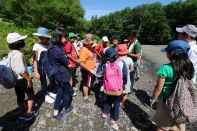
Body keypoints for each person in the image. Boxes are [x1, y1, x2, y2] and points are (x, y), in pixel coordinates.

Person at [150, 40, 194, 131]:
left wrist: (153, 99)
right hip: (181, 100)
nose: (166, 53)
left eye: (167, 51)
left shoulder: (165, 68)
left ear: (172, 53)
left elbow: (158, 88)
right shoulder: (190, 67)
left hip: (166, 100)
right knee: (178, 124)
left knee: (161, 125)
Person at [6, 33, 38, 121]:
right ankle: (29, 113)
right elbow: (21, 71)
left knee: (20, 96)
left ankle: (22, 112)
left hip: (15, 79)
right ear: (18, 43)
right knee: (31, 94)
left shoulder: (10, 53)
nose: (24, 41)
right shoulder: (19, 54)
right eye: (22, 40)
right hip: (22, 79)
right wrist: (29, 79)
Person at [101, 47, 127, 131]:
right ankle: (114, 119)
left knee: (108, 100)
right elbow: (125, 75)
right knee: (116, 103)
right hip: (117, 88)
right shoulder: (122, 63)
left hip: (108, 87)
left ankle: (105, 113)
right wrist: (124, 84)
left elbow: (103, 75)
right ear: (116, 54)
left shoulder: (105, 64)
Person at [49, 28, 73, 120]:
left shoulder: (53, 47)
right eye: (65, 37)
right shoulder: (57, 50)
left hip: (58, 73)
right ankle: (60, 111)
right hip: (63, 74)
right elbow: (69, 64)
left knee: (61, 91)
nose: (66, 39)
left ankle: (66, 107)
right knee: (64, 92)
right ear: (59, 37)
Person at [32, 27, 56, 104]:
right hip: (40, 66)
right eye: (40, 37)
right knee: (44, 82)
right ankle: (45, 95)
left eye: (43, 37)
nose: (41, 38)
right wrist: (36, 72)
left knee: (52, 78)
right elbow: (34, 60)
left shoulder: (50, 44)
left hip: (50, 65)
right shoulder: (36, 45)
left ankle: (49, 91)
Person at [79, 34, 96, 101]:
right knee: (86, 83)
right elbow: (81, 63)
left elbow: (92, 57)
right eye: (90, 43)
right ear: (86, 43)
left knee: (90, 82)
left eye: (92, 42)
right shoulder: (84, 50)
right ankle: (85, 95)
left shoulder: (90, 48)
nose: (92, 43)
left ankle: (88, 91)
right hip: (87, 70)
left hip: (91, 69)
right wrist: (90, 70)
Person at [117, 44, 134, 108]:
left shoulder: (117, 59)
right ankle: (122, 103)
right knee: (125, 92)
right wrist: (127, 72)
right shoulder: (129, 59)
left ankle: (117, 102)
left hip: (118, 78)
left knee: (118, 91)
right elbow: (132, 69)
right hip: (126, 78)